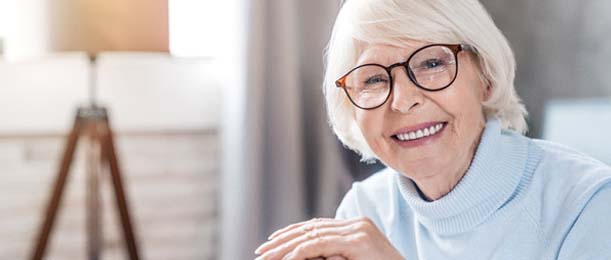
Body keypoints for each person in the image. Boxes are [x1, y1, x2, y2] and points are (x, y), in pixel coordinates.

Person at [254, 0, 611, 259]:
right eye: (375, 79)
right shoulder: (364, 210)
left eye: (431, 63)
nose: (403, 100)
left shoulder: (589, 204)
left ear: (485, 77)